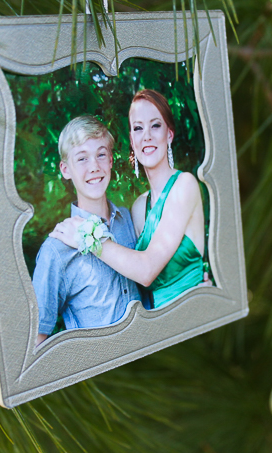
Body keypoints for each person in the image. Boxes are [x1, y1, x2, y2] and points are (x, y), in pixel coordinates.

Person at [51, 89, 206, 308]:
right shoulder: (138, 207)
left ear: (169, 134)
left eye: (155, 125)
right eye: (138, 128)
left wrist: (86, 237)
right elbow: (131, 276)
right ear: (132, 141)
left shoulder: (185, 186)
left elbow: (146, 271)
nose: (147, 136)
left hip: (192, 319)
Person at [32, 116, 141, 346]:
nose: (94, 167)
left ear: (111, 160)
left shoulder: (129, 221)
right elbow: (36, 342)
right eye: (81, 158)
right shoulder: (56, 250)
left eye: (101, 154)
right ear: (65, 169)